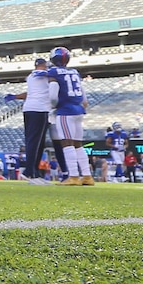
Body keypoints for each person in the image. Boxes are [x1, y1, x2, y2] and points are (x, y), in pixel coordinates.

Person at [44, 46, 93, 186]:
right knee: (78, 144)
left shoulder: (53, 72)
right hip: (78, 109)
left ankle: (73, 176)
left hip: (65, 110)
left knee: (66, 143)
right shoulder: (74, 72)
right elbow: (84, 97)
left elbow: (53, 95)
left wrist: (54, 106)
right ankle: (87, 176)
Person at [5, 56, 58, 184]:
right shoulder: (40, 74)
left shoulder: (32, 77)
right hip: (38, 110)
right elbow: (42, 74)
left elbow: (31, 93)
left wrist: (16, 96)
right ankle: (28, 172)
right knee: (34, 142)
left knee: (40, 143)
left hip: (32, 108)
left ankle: (34, 171)